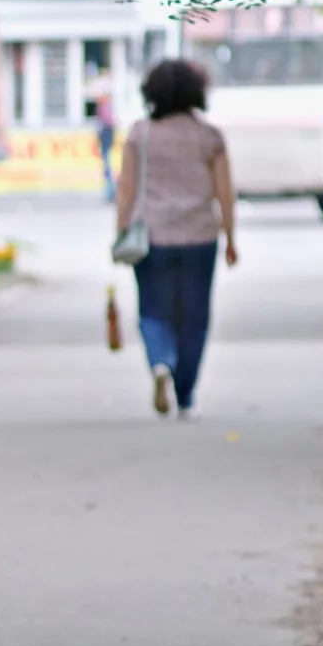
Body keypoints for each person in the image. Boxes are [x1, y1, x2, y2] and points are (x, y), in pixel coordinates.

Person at [115, 59, 238, 420]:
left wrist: (121, 231)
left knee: (153, 309)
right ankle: (185, 396)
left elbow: (126, 189)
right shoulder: (209, 137)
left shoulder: (140, 135)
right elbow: (224, 192)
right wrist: (230, 237)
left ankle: (160, 362)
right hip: (200, 237)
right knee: (194, 317)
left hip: (152, 237)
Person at [92, 74, 118, 202]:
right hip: (107, 145)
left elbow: (108, 124)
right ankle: (110, 193)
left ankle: (111, 194)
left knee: (108, 170)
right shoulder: (105, 110)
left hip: (107, 145)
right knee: (108, 170)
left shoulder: (105, 111)